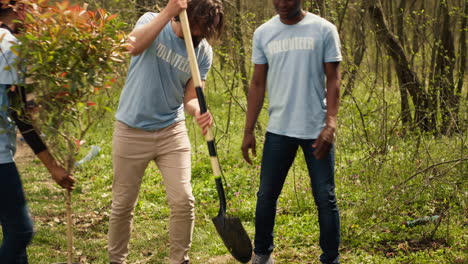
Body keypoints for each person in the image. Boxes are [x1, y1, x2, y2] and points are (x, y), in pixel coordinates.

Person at [107, 0, 223, 263]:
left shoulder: (203, 52)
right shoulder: (151, 21)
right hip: (131, 129)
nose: (198, 36)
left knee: (184, 200)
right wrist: (168, 12)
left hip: (171, 131)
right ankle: (116, 260)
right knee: (123, 204)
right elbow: (131, 46)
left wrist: (198, 112)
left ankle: (179, 260)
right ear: (184, 15)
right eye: (194, 28)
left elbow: (191, 97)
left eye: (204, 31)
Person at [241, 0, 342, 263]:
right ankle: (262, 255)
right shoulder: (263, 33)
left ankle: (331, 259)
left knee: (325, 197)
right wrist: (248, 130)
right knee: (266, 195)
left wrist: (331, 123)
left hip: (316, 130)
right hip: (279, 130)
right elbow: (257, 82)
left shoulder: (323, 29)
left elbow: (333, 78)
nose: (282, 3)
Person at [0, 1, 75, 263]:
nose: (36, 15)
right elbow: (21, 116)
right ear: (17, 8)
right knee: (21, 232)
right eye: (32, 7)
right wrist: (53, 167)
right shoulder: (7, 45)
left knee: (12, 234)